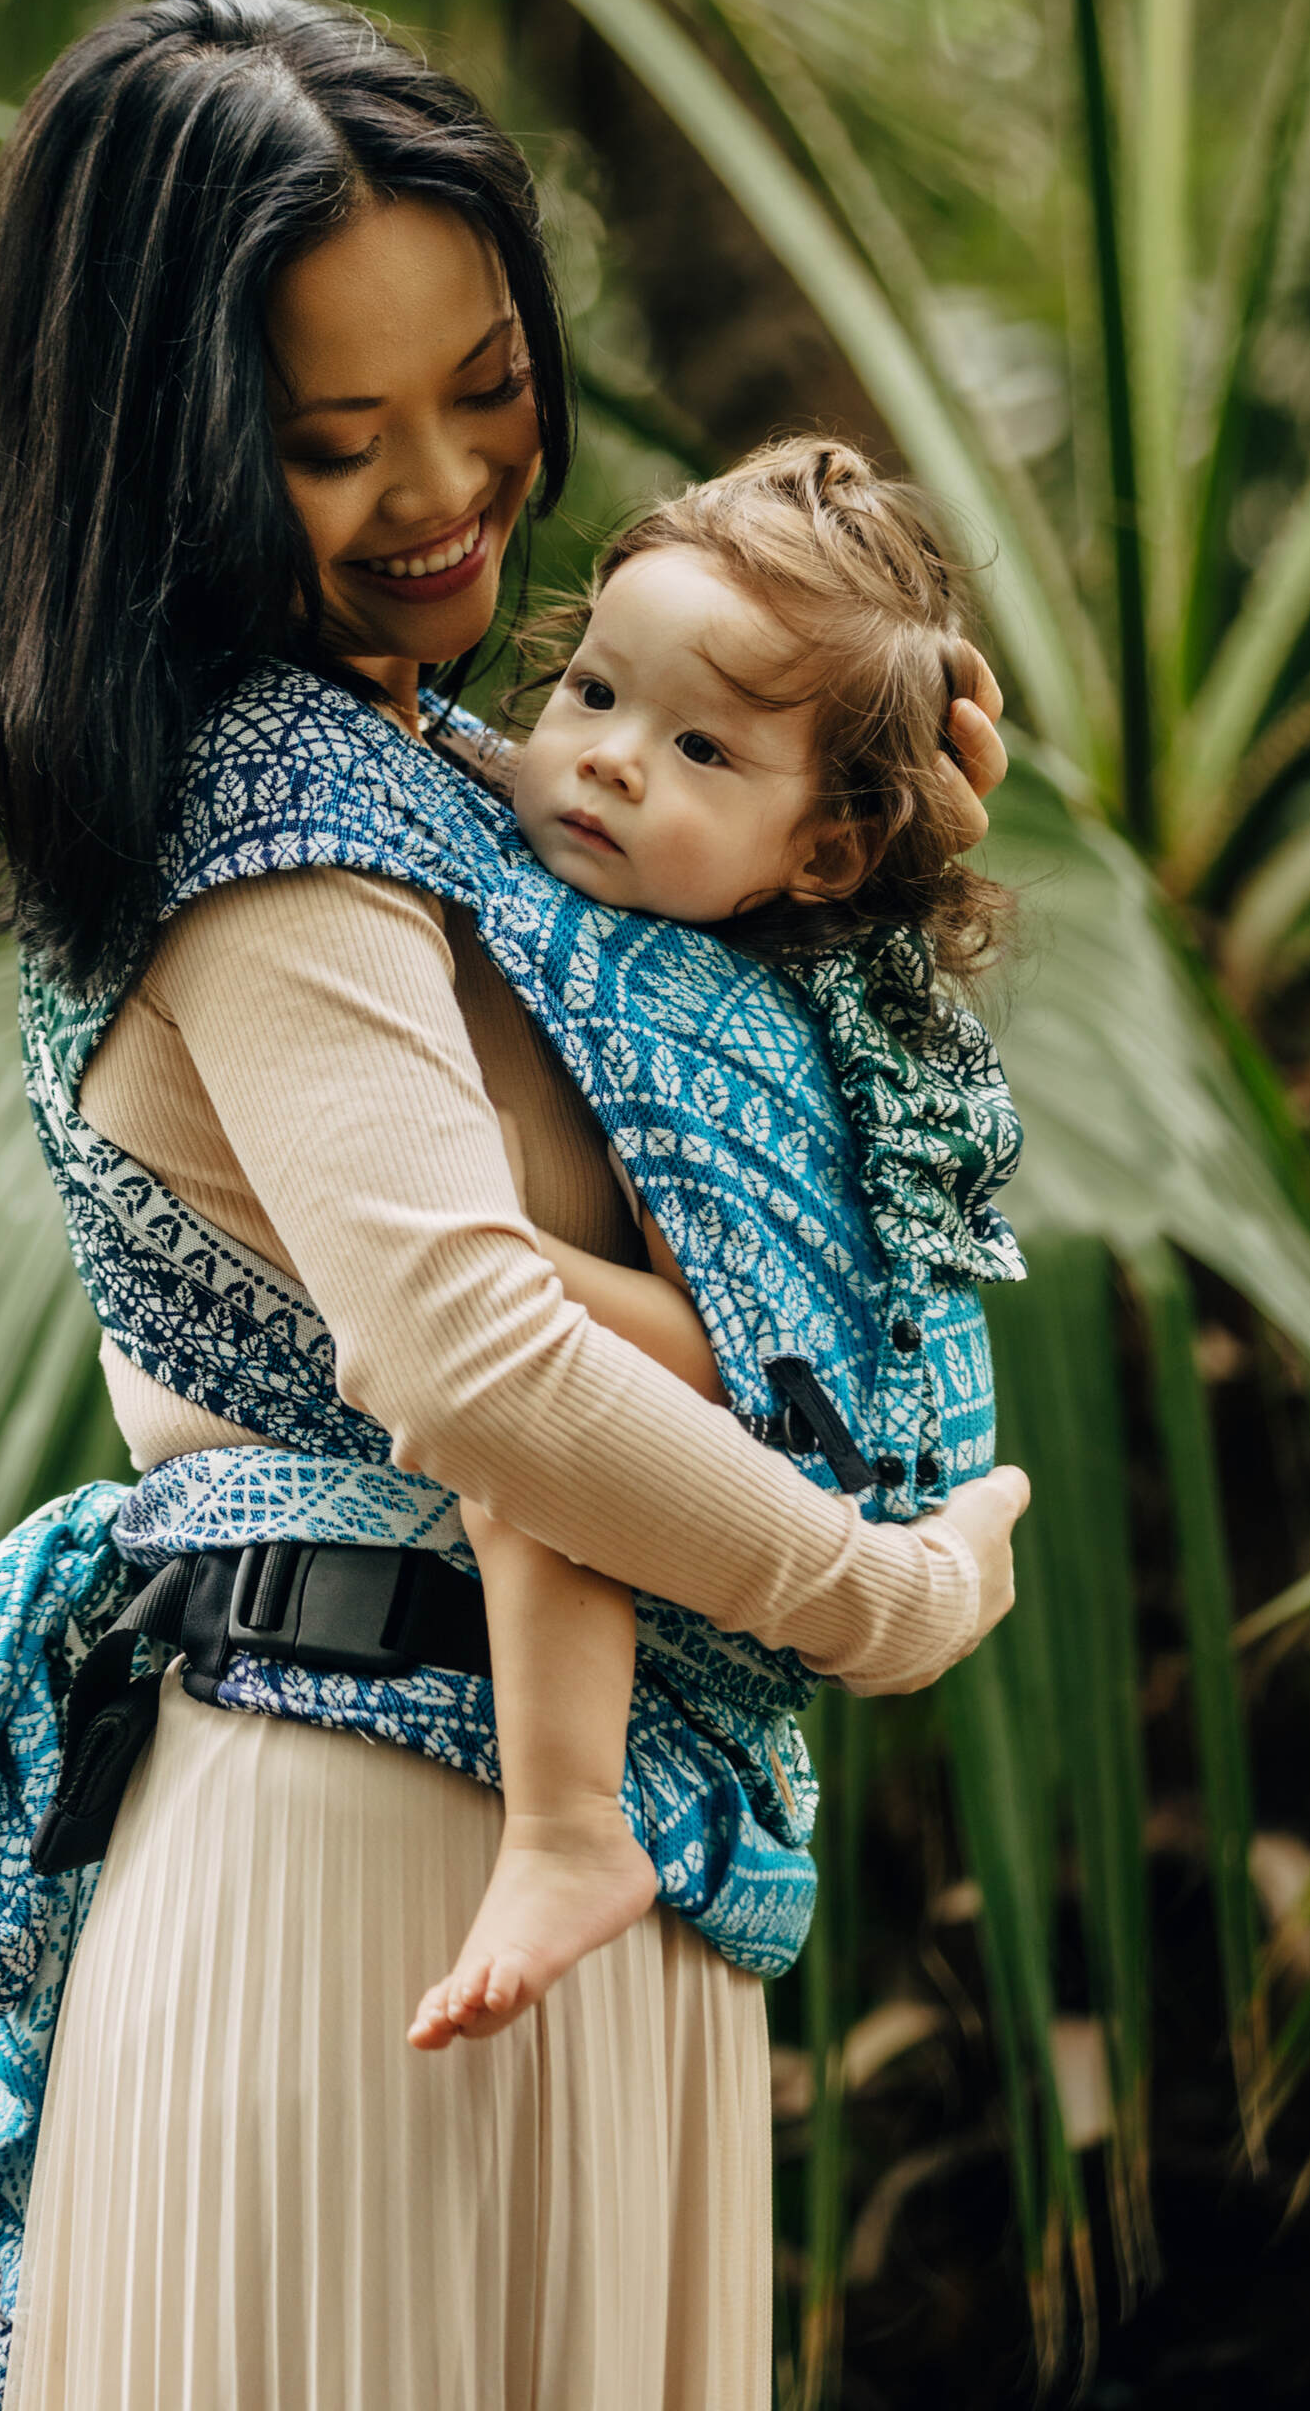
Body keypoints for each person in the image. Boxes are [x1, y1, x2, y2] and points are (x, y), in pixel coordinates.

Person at [0, 0, 1030, 2411]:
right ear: (171, 456)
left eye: (487, 386)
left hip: (544, 1849)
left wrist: (868, 819)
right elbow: (473, 1361)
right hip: (371, 1859)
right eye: (336, 438)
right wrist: (883, 1601)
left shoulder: (458, 774)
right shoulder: (263, 818)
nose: (446, 491)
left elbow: (760, 1167)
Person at [408, 433, 1019, 2054]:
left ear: (820, 854)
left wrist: (499, 1277)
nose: (608, 759)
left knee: (523, 1436)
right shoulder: (515, 863)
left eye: (701, 748)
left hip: (803, 1461)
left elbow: (738, 1358)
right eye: (595, 695)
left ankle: (566, 1826)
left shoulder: (763, 1045)